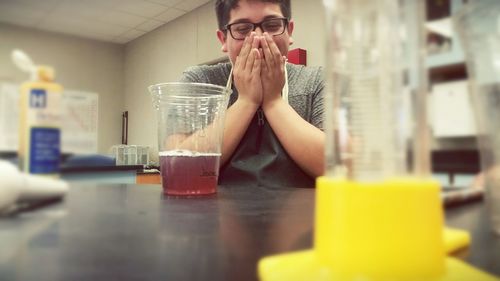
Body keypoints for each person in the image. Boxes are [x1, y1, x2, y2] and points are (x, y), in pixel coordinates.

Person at [180, 0, 325, 188]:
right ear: (223, 39)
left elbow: (342, 169)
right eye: (242, 29)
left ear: (289, 31)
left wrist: (273, 101)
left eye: (272, 26)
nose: (258, 39)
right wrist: (247, 101)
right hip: (215, 216)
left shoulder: (317, 81)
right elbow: (180, 168)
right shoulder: (200, 80)